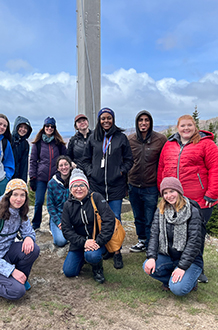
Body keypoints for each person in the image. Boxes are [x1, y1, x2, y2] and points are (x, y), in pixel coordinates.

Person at [157, 114, 218, 283]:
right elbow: (162, 168)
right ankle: (179, 265)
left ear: (195, 127)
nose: (186, 129)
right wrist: (161, 189)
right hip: (173, 199)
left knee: (196, 235)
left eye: (189, 125)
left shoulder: (206, 144)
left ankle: (197, 268)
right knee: (177, 233)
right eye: (182, 126)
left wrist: (212, 193)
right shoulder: (169, 145)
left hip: (199, 199)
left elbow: (216, 168)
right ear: (177, 128)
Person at [82, 107, 133, 269]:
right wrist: (92, 172)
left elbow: (129, 160)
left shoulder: (121, 138)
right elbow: (85, 160)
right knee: (99, 218)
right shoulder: (93, 138)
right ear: (99, 120)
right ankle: (107, 248)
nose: (106, 121)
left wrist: (121, 171)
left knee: (115, 218)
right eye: (103, 118)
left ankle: (117, 251)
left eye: (108, 118)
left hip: (116, 185)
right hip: (97, 185)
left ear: (113, 119)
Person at [143, 177, 204, 296]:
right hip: (169, 256)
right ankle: (172, 279)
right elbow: (154, 235)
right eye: (165, 193)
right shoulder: (161, 210)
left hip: (190, 261)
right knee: (147, 265)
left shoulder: (192, 211)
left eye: (172, 191)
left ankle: (188, 280)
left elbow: (194, 242)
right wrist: (151, 257)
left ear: (179, 191)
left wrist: (182, 267)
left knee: (178, 289)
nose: (169, 195)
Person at [62, 169, 116, 283]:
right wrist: (84, 242)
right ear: (71, 189)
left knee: (92, 255)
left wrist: (98, 241)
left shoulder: (96, 197)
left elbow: (109, 220)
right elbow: (66, 230)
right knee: (69, 271)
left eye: (82, 185)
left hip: (97, 241)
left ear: (87, 186)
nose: (79, 188)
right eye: (75, 186)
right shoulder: (68, 205)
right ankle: (83, 257)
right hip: (79, 243)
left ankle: (97, 268)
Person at [128, 110, 167, 253]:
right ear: (137, 123)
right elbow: (126, 160)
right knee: (138, 216)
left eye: (146, 120)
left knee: (150, 218)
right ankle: (142, 241)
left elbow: (165, 161)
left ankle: (152, 245)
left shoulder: (160, 139)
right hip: (133, 184)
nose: (143, 123)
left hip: (151, 186)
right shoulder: (130, 140)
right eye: (140, 120)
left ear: (150, 123)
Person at [29, 117, 67, 231]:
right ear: (44, 127)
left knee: (54, 202)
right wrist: (32, 177)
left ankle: (53, 223)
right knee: (39, 201)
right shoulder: (38, 144)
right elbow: (33, 161)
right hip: (41, 177)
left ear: (54, 128)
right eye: (47, 126)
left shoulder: (59, 144)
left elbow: (65, 158)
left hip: (55, 178)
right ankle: (36, 225)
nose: (49, 128)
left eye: (52, 126)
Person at [47, 155, 72, 247]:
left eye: (66, 164)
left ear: (70, 166)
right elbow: (50, 205)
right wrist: (58, 222)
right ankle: (54, 228)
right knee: (60, 241)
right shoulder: (52, 183)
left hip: (72, 218)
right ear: (58, 168)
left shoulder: (75, 181)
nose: (64, 167)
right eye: (61, 165)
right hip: (58, 217)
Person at [11, 116, 32, 183]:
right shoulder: (9, 140)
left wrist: (23, 182)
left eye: (25, 128)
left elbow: (24, 165)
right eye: (21, 127)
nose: (23, 129)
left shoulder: (25, 144)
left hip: (18, 177)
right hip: (6, 176)